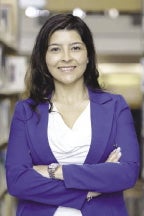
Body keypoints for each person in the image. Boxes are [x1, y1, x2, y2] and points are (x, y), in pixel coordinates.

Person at [5, 13, 140, 216]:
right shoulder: (26, 111)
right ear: (44, 57)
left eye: (75, 47)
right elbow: (17, 182)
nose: (66, 57)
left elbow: (127, 173)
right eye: (55, 49)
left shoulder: (114, 106)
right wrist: (89, 190)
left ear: (88, 55)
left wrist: (55, 171)